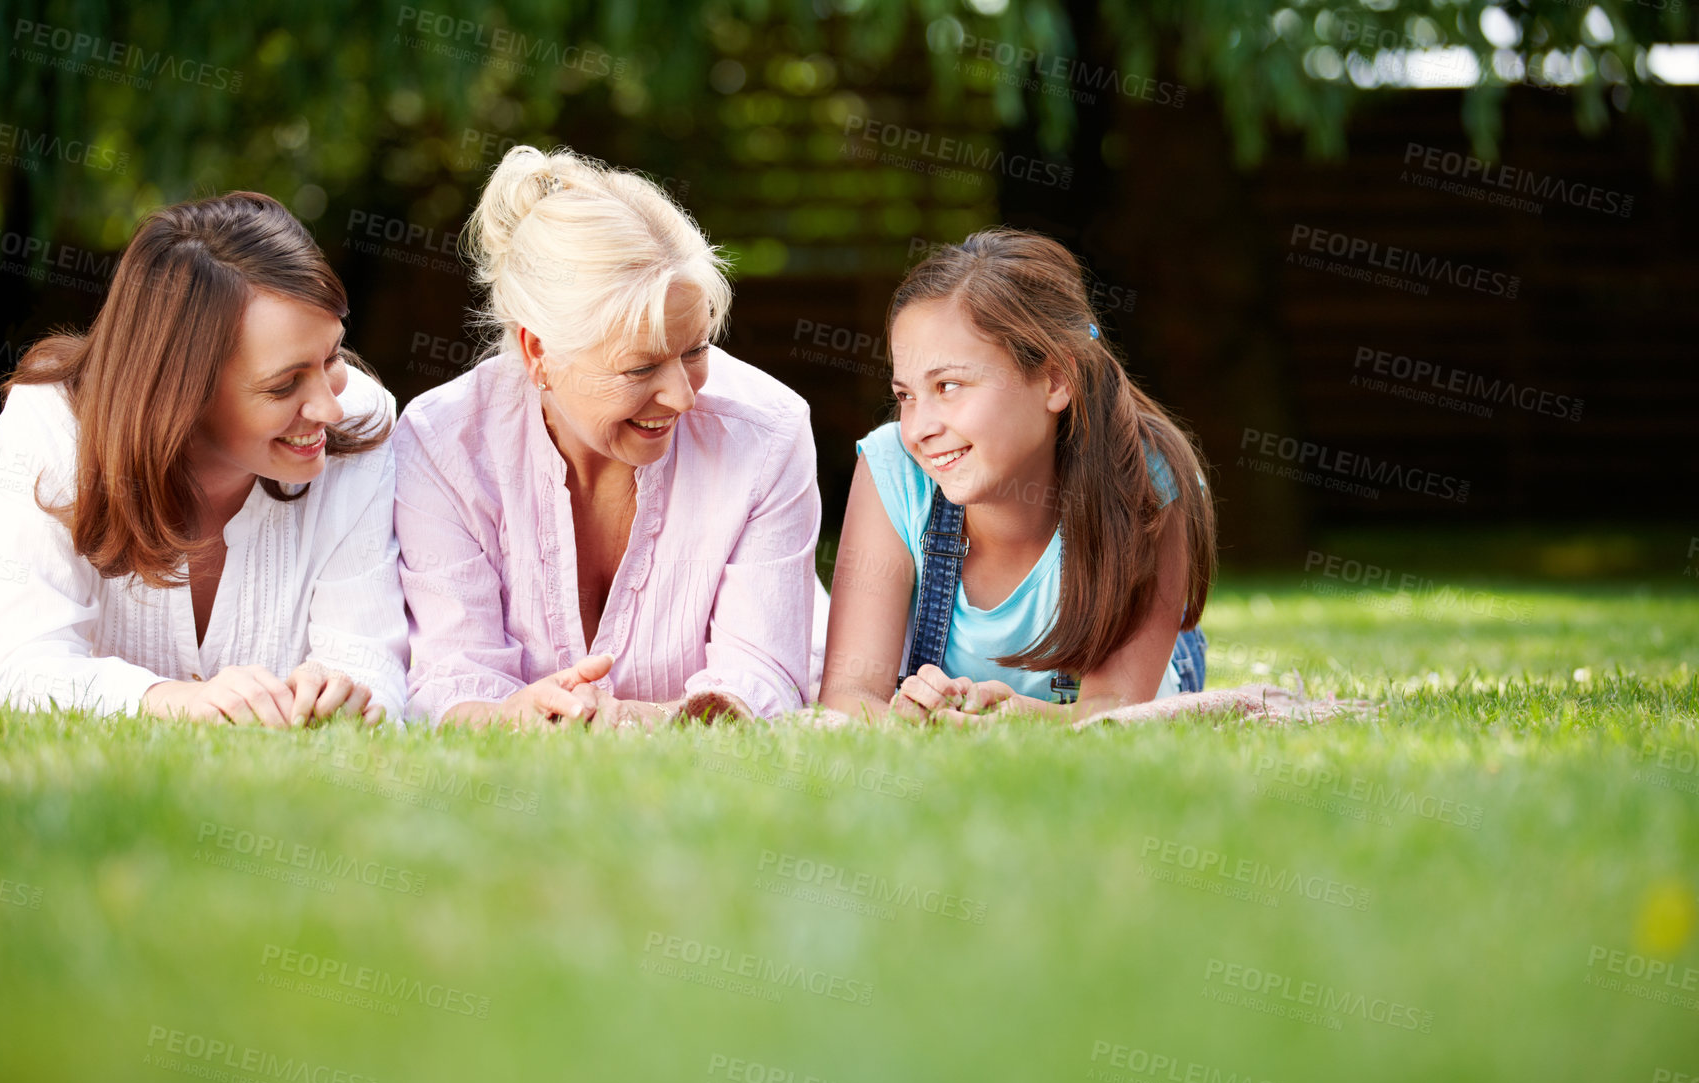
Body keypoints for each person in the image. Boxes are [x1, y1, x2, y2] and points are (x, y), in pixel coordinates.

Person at [395, 145, 820, 730]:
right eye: (641, 368)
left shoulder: (768, 433)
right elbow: (451, 675)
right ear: (538, 351)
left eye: (695, 350)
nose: (683, 396)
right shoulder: (442, 443)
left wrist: (633, 723)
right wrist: (516, 717)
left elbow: (761, 674)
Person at [0, 192, 408, 725]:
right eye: (283, 386)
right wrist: (175, 701)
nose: (329, 407)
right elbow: (15, 665)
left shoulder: (359, 422)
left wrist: (342, 692)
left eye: (331, 357)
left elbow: (373, 665)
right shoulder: (52, 428)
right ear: (182, 391)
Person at [820, 229, 1214, 724]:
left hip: (1138, 693)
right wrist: (914, 723)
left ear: (1054, 380)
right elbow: (848, 695)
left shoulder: (1147, 482)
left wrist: (1010, 718)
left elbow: (1114, 715)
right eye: (906, 395)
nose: (919, 428)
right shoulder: (892, 469)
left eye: (949, 385)